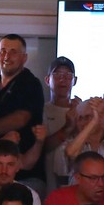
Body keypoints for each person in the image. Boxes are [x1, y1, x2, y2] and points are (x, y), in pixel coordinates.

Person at [0, 34, 46, 189]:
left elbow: (21, 118)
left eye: (13, 52)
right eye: (3, 51)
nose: (7, 56)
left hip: (25, 175)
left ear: (24, 58)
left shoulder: (31, 84)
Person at [43, 57, 80, 192]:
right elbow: (42, 147)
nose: (63, 79)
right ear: (48, 80)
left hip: (78, 182)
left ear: (75, 80)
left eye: (68, 75)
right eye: (57, 75)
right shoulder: (42, 110)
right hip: (49, 183)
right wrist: (67, 128)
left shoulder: (82, 110)